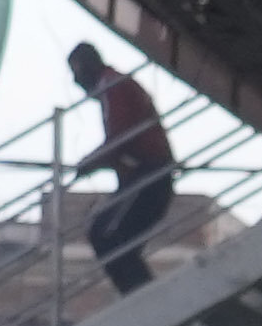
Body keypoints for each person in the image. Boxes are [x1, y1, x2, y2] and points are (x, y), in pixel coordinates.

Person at [71, 43, 180, 292]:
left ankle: (143, 297)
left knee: (107, 234)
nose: (76, 81)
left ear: (87, 67)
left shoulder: (113, 86)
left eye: (76, 71)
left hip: (149, 174)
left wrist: (92, 162)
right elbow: (122, 141)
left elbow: (120, 138)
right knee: (113, 237)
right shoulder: (114, 85)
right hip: (146, 174)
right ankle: (143, 295)